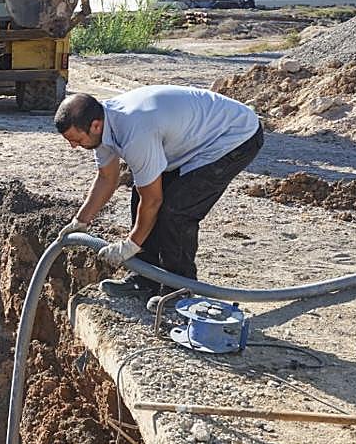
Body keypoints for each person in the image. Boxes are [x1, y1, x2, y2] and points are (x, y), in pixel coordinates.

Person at [53, 86, 264, 305]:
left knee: (176, 210)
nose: (74, 146)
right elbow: (107, 178)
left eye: (76, 139)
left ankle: (178, 292)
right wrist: (80, 221)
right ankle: (146, 280)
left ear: (95, 126)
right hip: (191, 137)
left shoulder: (134, 132)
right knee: (141, 193)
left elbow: (153, 201)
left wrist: (130, 245)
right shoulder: (102, 126)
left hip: (234, 136)